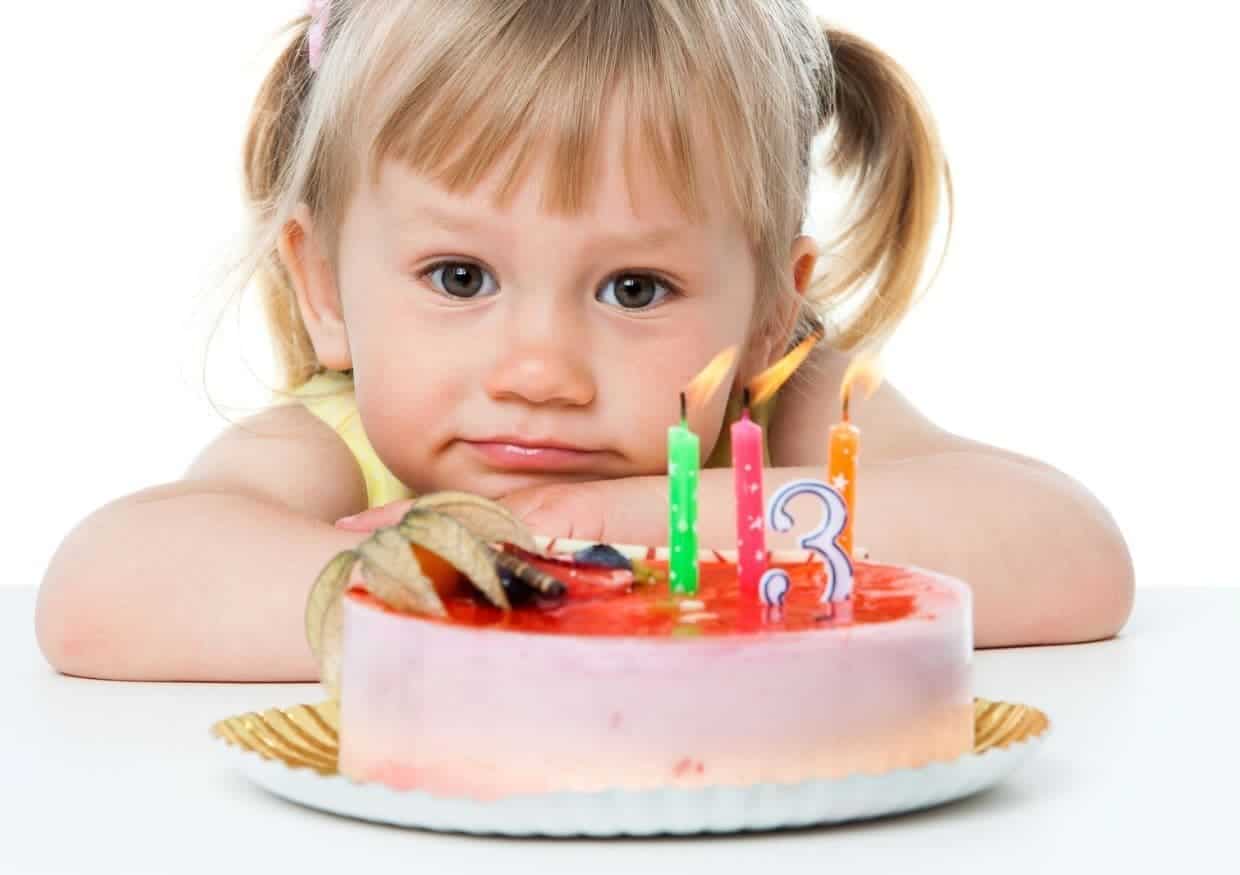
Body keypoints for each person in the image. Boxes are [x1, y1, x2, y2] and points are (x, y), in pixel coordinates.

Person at [35, 0, 1133, 682]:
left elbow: (1072, 558)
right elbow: (100, 594)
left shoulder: (774, 406)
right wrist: (469, 575)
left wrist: (615, 524)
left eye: (634, 286)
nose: (541, 373)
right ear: (323, 286)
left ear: (763, 314)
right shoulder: (336, 450)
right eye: (459, 277)